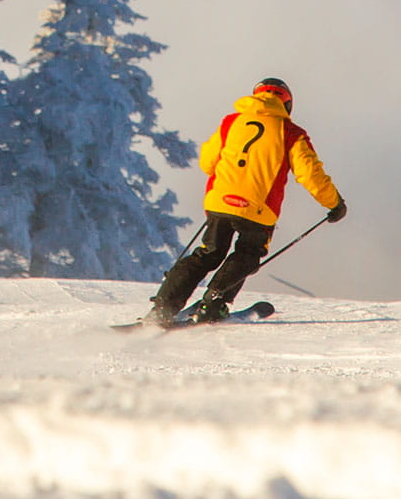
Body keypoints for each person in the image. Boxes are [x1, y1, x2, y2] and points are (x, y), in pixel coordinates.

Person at [146, 76, 346, 325]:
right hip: (258, 209)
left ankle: (163, 307)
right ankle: (214, 303)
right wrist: (334, 204)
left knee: (207, 254)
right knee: (247, 254)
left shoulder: (232, 122)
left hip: (219, 202)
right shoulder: (291, 133)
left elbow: (207, 162)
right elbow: (310, 174)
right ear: (287, 104)